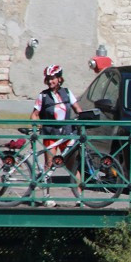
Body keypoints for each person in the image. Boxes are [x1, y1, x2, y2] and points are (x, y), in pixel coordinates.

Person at [31, 65, 83, 202]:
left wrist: (83, 119)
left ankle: (79, 197)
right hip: (50, 134)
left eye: (53, 78)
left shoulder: (67, 92)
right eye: (48, 79)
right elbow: (34, 114)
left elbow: (78, 109)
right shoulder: (43, 95)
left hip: (67, 132)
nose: (50, 81)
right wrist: (36, 125)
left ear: (59, 79)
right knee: (49, 164)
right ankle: (47, 197)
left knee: (72, 165)